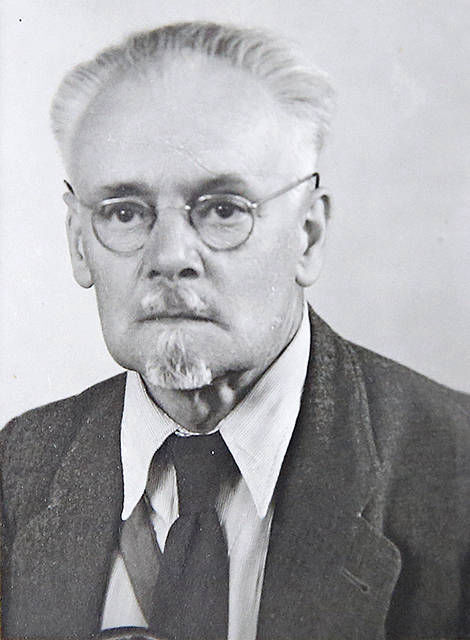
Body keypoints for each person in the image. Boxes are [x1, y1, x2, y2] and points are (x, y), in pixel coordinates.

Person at [1, 21, 469, 640]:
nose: (170, 256)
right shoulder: (16, 470)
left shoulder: (455, 473)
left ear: (308, 235)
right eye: (125, 212)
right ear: (78, 243)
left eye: (223, 209)